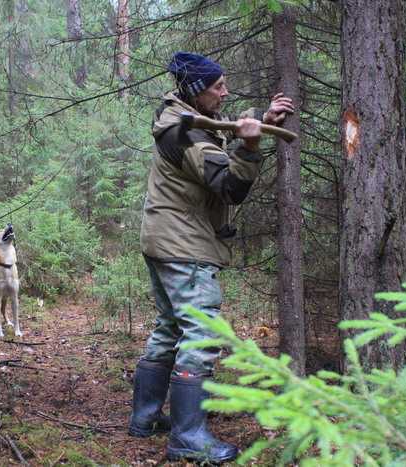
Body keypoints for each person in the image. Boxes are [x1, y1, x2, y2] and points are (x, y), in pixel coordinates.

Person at [128, 51, 294, 463]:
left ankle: (145, 418)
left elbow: (219, 142)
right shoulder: (182, 131)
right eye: (218, 86)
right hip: (183, 245)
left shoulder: (181, 117)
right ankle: (188, 436)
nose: (225, 92)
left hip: (165, 238)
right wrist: (252, 146)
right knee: (200, 334)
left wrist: (262, 121)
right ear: (196, 90)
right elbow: (228, 184)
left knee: (169, 327)